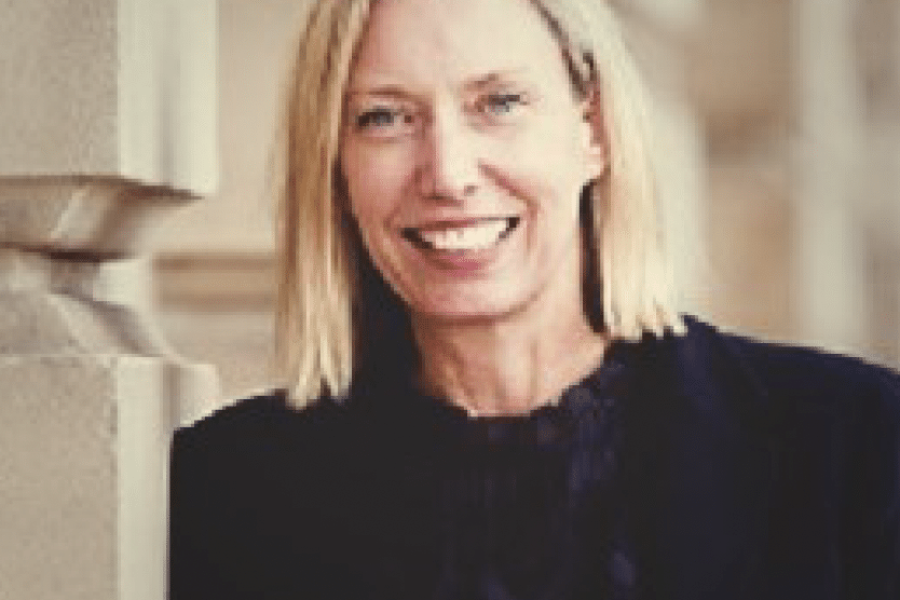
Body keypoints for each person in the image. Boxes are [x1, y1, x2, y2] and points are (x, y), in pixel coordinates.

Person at [168, 0, 900, 598]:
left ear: (593, 131)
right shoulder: (226, 494)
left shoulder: (856, 447)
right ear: (337, 165)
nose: (447, 173)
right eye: (385, 117)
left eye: (499, 103)